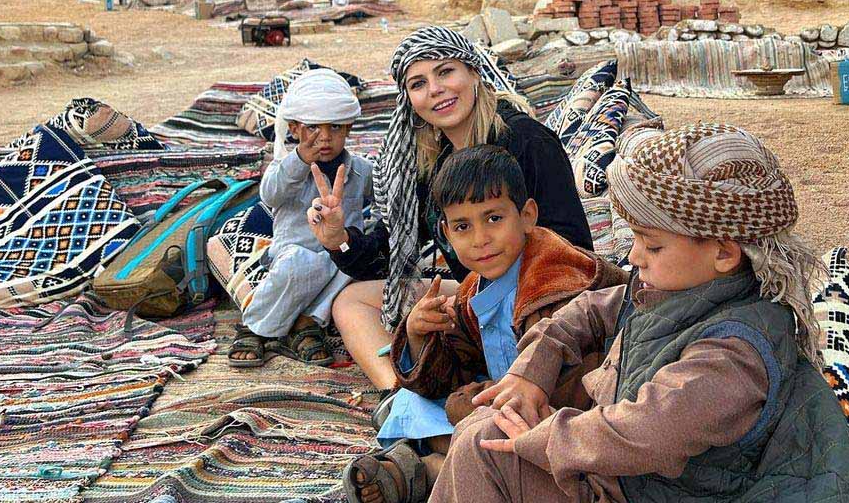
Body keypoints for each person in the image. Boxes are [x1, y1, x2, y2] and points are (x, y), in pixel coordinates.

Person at [430, 121, 849, 503]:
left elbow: (645, 431)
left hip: (648, 488)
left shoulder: (734, 353)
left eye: (652, 245)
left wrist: (545, 438)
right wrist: (530, 372)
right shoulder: (670, 288)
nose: (634, 256)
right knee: (483, 428)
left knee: (484, 446)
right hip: (628, 478)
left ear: (725, 253)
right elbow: (587, 312)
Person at [307, 25, 592, 401]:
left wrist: (487, 298)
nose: (435, 90)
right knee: (352, 300)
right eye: (418, 83)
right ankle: (395, 394)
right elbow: (392, 257)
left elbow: (574, 249)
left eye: (445, 72)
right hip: (475, 289)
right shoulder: (429, 160)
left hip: (538, 296)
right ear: (410, 99)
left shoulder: (527, 142)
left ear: (473, 72)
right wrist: (338, 239)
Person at [343, 146, 625, 503]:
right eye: (463, 226)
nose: (480, 239)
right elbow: (455, 370)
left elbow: (561, 392)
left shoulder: (555, 284)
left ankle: (422, 469)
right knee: (408, 403)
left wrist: (469, 402)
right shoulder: (473, 288)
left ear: (527, 216)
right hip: (502, 401)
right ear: (446, 231)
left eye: (493, 218)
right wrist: (418, 335)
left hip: (563, 418)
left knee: (481, 432)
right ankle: (427, 464)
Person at [229, 69, 373, 369]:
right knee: (298, 263)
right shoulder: (286, 167)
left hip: (339, 255)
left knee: (360, 263)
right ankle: (257, 328)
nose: (324, 137)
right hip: (294, 255)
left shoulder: (360, 170)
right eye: (312, 128)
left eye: (335, 127)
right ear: (294, 129)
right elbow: (269, 195)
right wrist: (299, 162)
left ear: (348, 128)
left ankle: (304, 324)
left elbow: (382, 199)